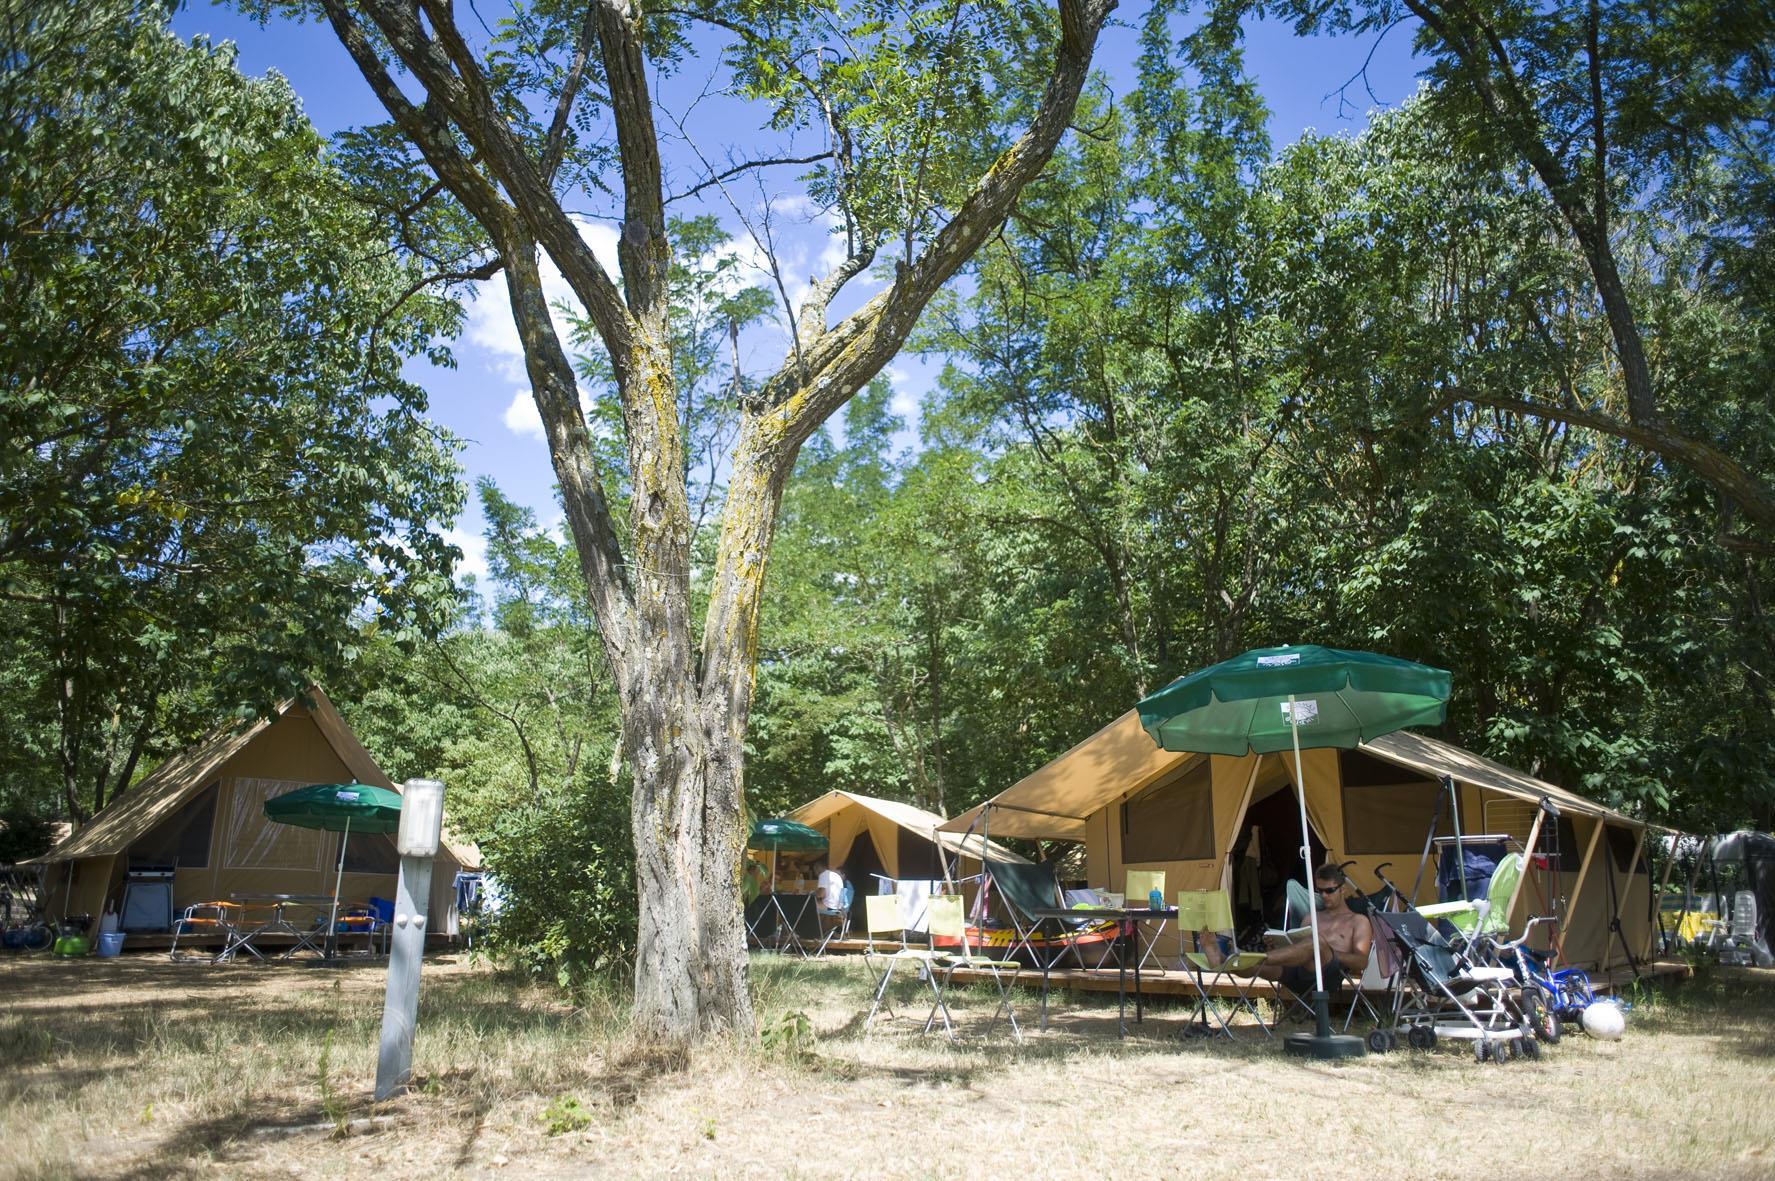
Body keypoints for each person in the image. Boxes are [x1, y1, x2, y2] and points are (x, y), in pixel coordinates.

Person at [1255, 863, 1373, 997]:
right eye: (1320, 890)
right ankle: (1232, 959)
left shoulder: (1358, 921)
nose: (1324, 895)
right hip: (1296, 973)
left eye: (1329, 891)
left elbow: (1361, 962)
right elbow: (1297, 952)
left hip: (1327, 977)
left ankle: (1258, 958)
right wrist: (1275, 945)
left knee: (1315, 942)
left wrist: (1326, 950)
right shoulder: (1310, 918)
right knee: (1254, 967)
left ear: (1343, 889)